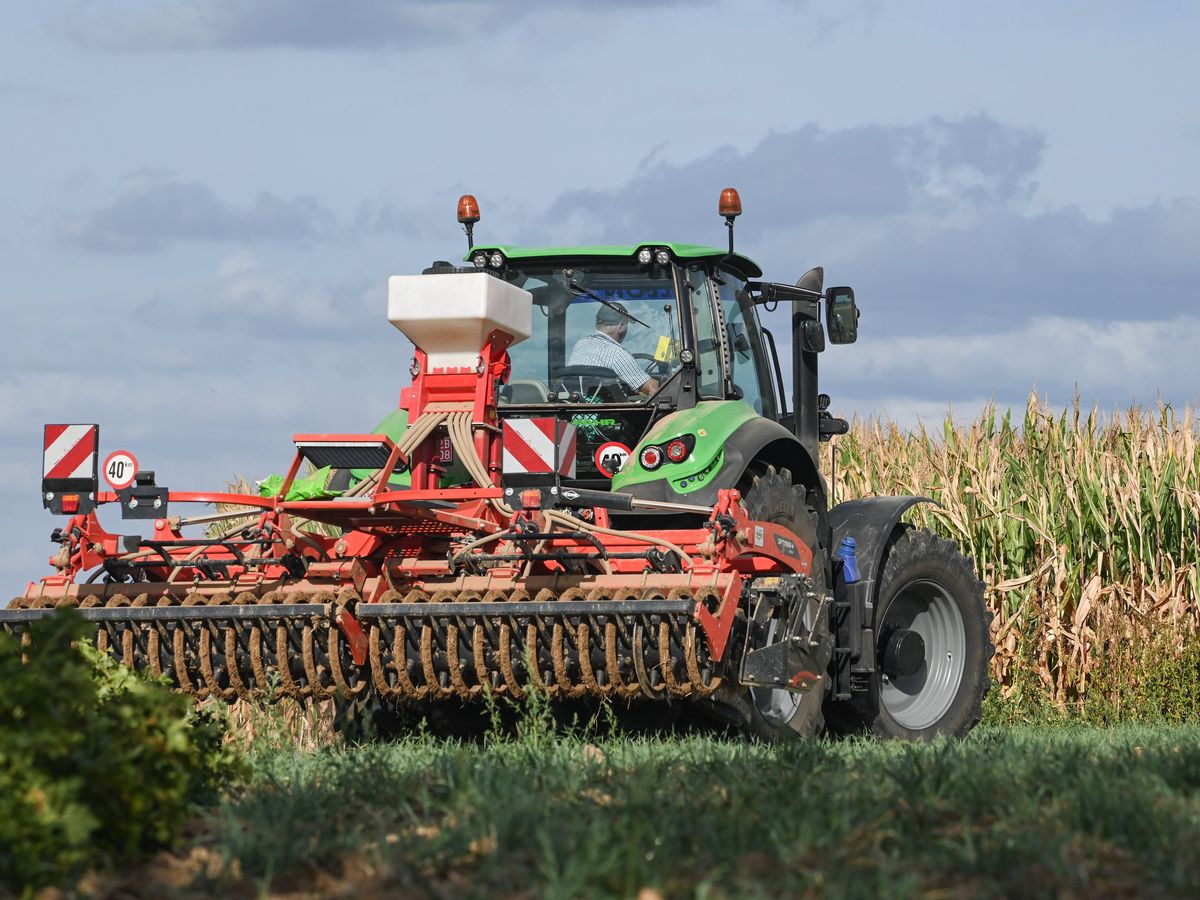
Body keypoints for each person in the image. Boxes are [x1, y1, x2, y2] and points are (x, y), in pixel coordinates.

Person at [567, 301, 659, 396]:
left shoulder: (580, 345)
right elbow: (653, 390)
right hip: (610, 409)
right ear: (620, 326)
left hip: (578, 406)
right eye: (626, 324)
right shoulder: (616, 353)